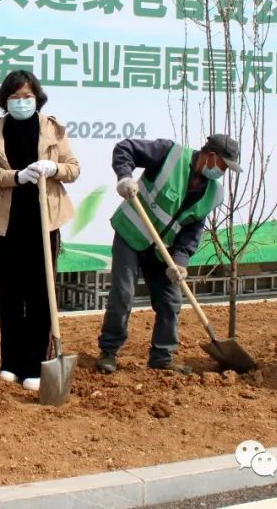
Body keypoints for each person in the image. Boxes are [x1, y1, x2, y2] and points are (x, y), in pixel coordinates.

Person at [96, 133, 241, 374]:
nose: (223, 172)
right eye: (223, 165)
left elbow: (193, 230)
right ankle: (109, 351)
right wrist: (124, 176)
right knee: (123, 294)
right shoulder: (169, 154)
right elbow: (125, 148)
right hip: (131, 234)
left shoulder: (213, 193)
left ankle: (162, 357)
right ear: (211, 156)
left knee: (171, 301)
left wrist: (180, 261)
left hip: (162, 250)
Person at [0, 70, 80, 392]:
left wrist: (54, 168)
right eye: (15, 97)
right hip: (6, 223)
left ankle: (36, 364)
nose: (21, 102)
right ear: (5, 100)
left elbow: (73, 169)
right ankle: (11, 361)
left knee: (40, 294)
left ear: (37, 97)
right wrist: (16, 176)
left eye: (27, 96)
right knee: (11, 294)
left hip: (43, 222)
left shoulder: (52, 128)